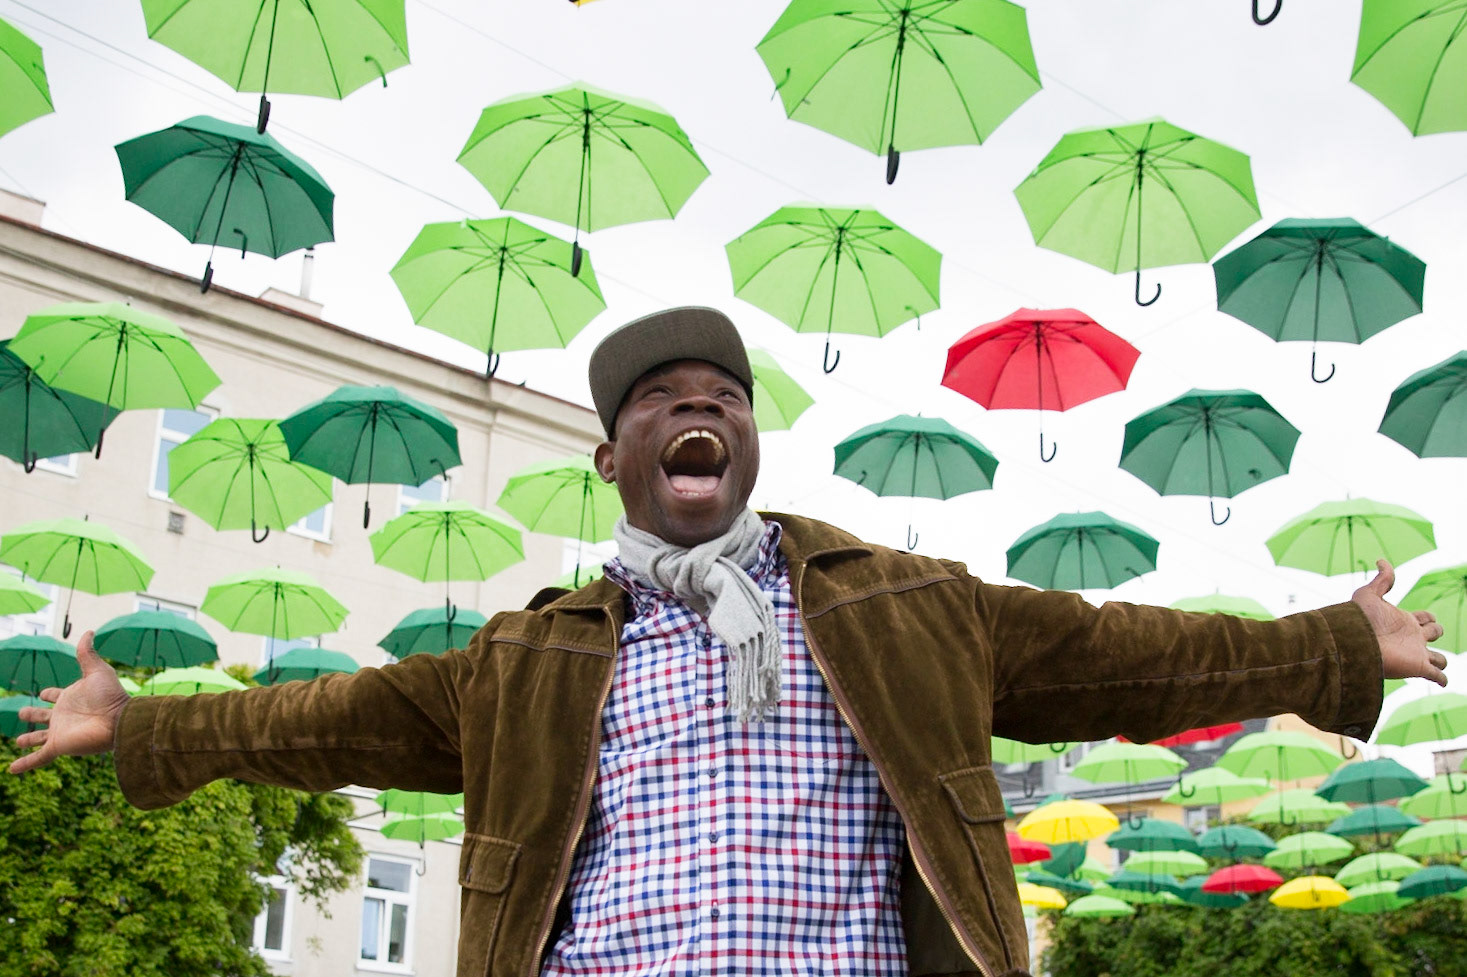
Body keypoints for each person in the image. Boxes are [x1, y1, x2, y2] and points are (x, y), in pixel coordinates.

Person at [9, 306, 1448, 977]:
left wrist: (1331, 643)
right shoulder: (532, 659)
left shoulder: (897, 603)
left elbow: (1128, 655)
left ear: (745, 439)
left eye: (723, 393)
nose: (698, 407)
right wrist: (140, 724)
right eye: (659, 396)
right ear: (612, 450)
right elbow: (331, 720)